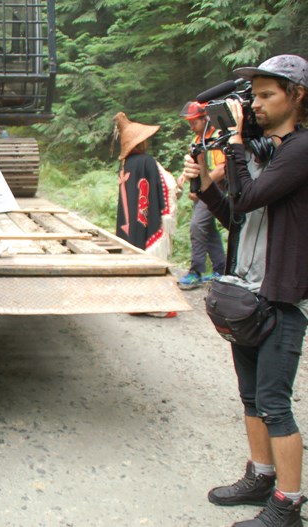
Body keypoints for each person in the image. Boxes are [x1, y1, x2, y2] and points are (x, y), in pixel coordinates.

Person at [185, 54, 308, 527]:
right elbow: (239, 215)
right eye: (252, 95)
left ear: (296, 96)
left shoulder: (301, 149)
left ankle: (289, 503)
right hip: (248, 293)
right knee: (252, 397)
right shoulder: (268, 152)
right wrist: (204, 187)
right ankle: (260, 475)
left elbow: (252, 196)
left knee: (275, 404)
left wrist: (235, 145)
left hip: (280, 298)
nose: (254, 104)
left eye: (265, 94)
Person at [112, 112, 178, 261]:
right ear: (140, 142)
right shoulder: (146, 161)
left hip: (128, 225)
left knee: (131, 238)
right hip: (145, 220)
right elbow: (163, 185)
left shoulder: (125, 164)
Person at [176, 101, 227, 289]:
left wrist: (201, 190)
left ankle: (195, 272)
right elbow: (195, 164)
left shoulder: (216, 137)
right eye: (189, 121)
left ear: (205, 118)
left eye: (194, 121)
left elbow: (222, 169)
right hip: (203, 189)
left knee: (197, 226)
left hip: (217, 188)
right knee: (209, 229)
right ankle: (220, 270)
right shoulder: (198, 139)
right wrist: (185, 176)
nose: (191, 125)